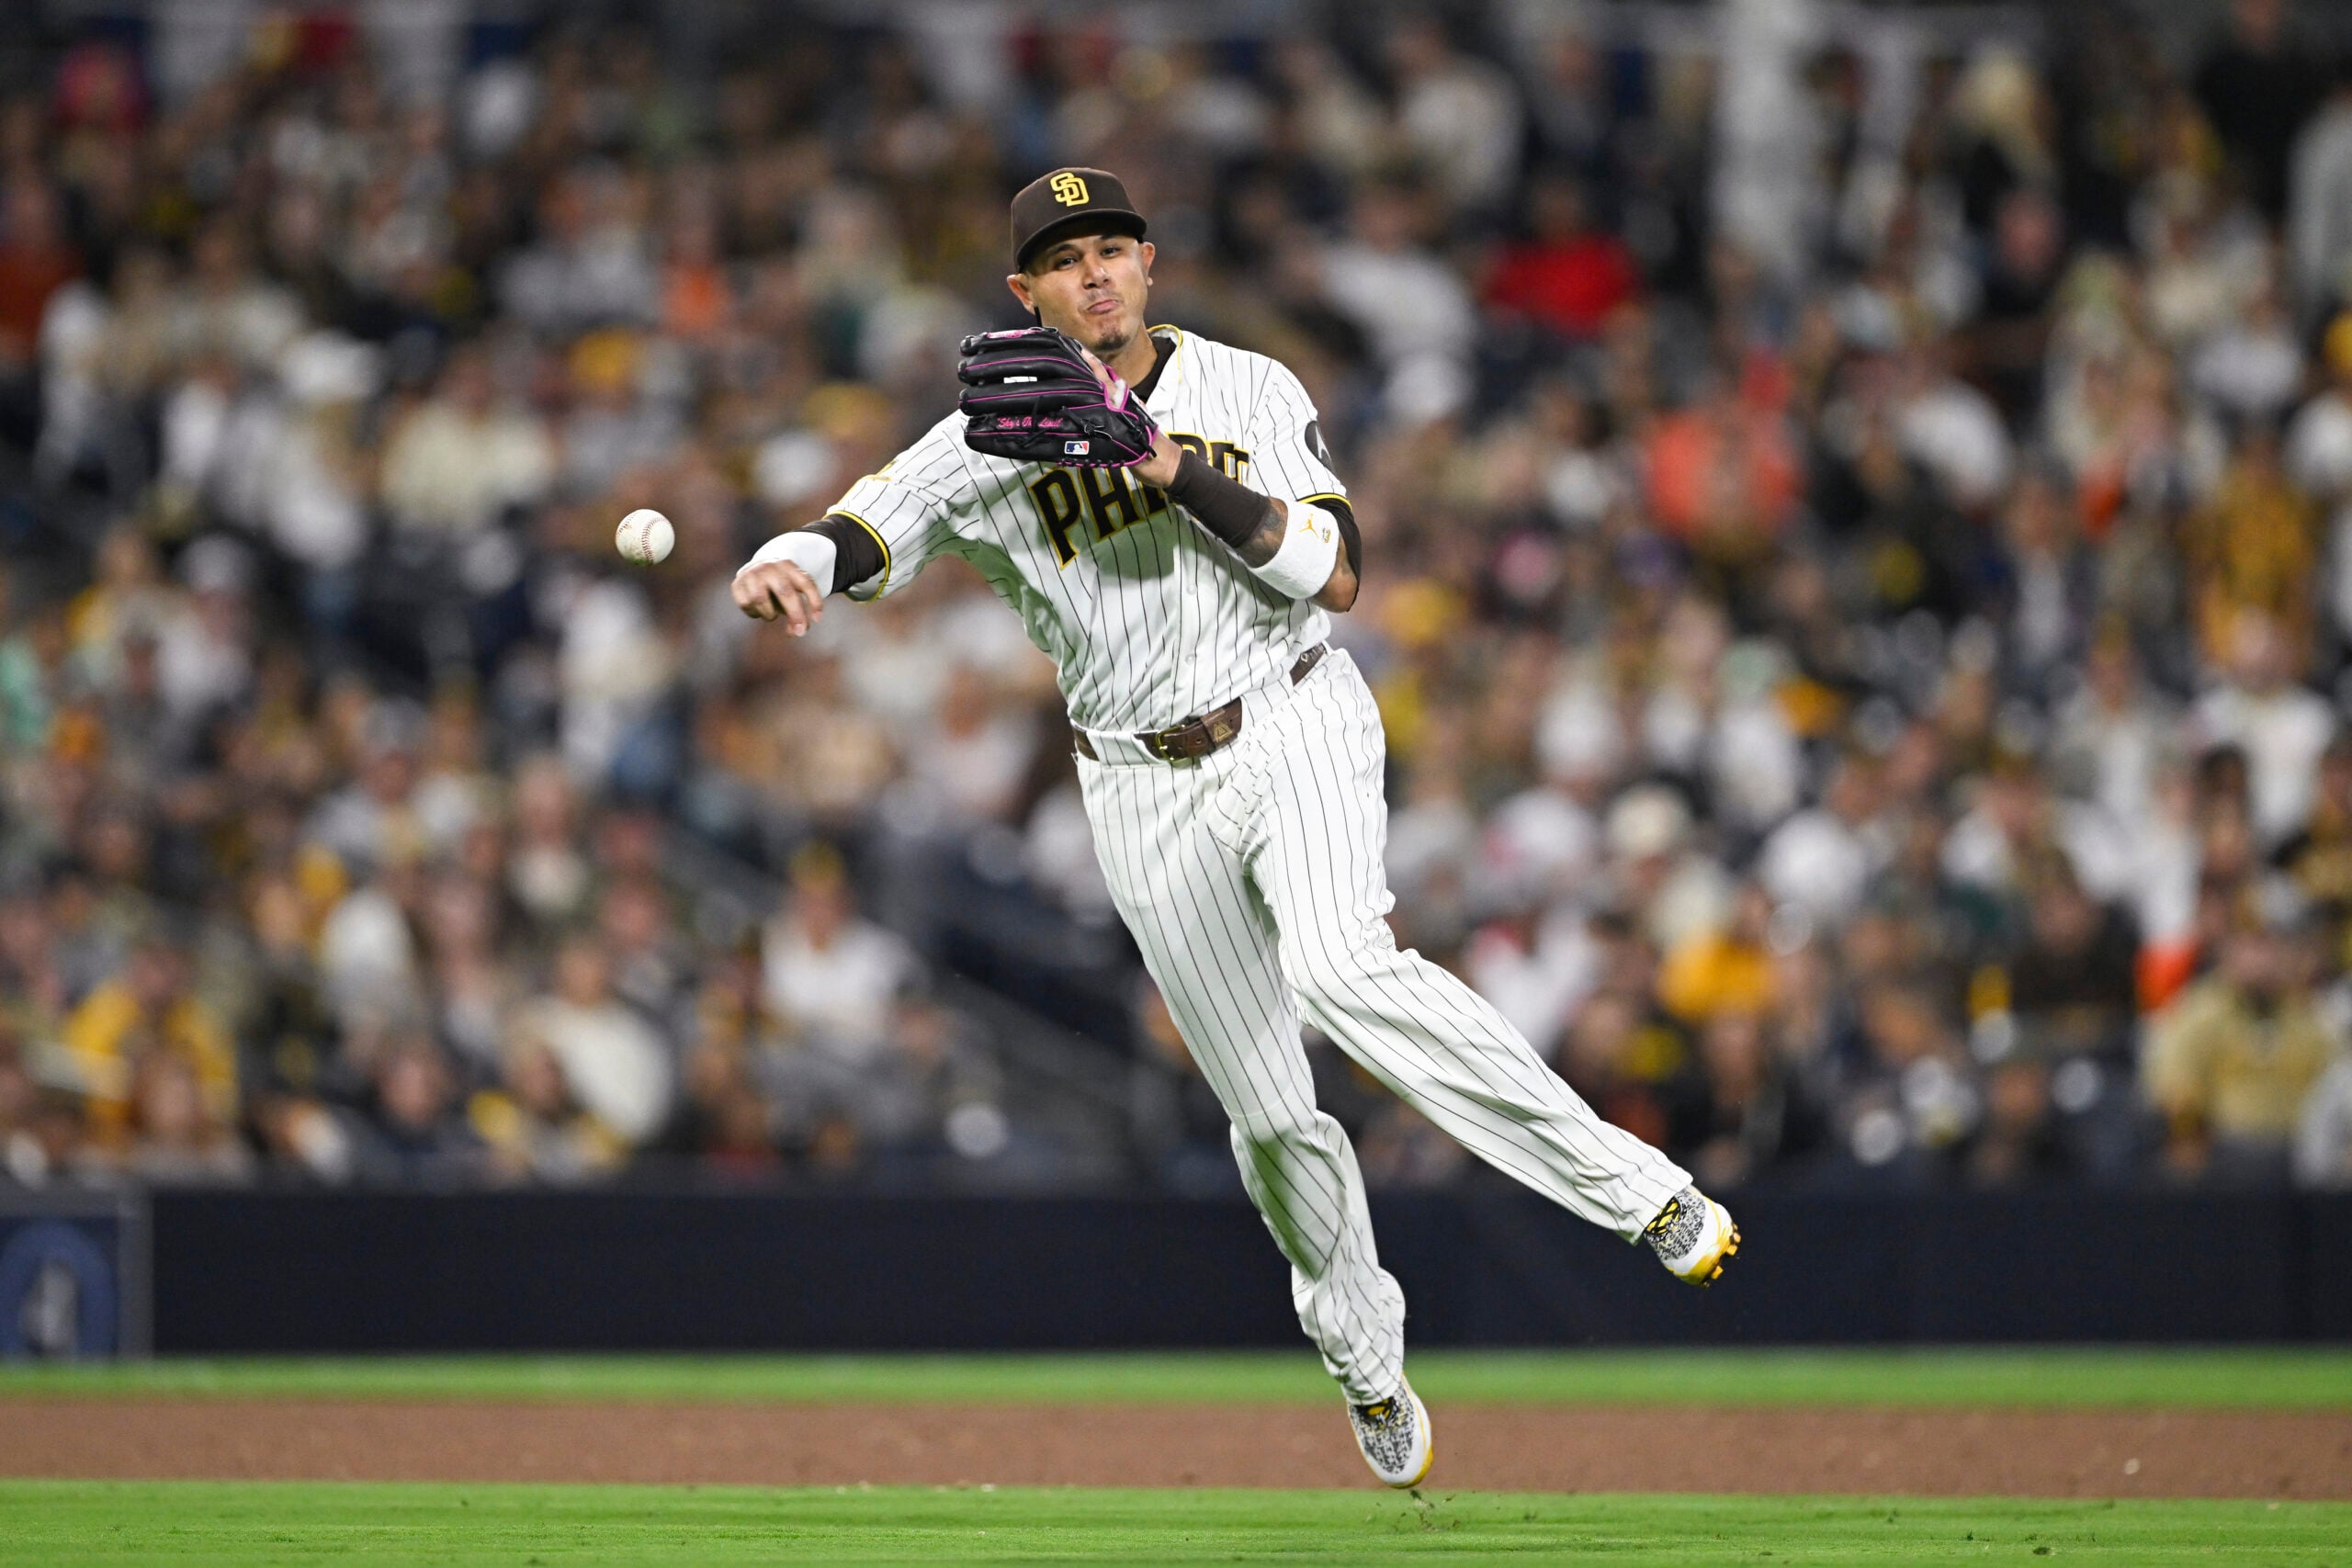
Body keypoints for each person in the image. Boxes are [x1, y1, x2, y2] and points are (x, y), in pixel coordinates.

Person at [728, 167, 1736, 1489]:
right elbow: (869, 525)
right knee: (1267, 1117)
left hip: (1291, 709)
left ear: (1150, 268)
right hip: (1138, 784)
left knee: (1340, 965)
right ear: (1023, 293)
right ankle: (1365, 1357)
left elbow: (1341, 571)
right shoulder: (988, 429)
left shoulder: (1246, 388)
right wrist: (797, 558)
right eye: (1064, 257)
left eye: (1115, 249)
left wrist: (1162, 464)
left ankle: (1638, 1191)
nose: (1095, 273)